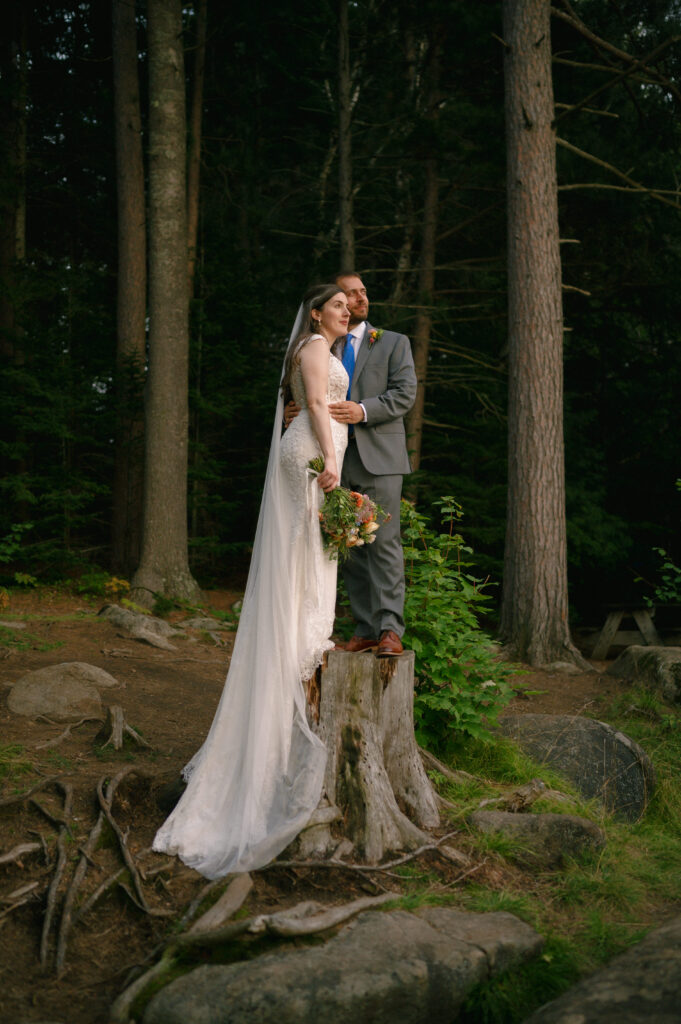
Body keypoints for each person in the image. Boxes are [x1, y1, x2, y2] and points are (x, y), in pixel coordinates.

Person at [152, 284, 350, 879]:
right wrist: (332, 460)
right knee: (302, 557)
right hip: (311, 454)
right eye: (337, 304)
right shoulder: (316, 347)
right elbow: (316, 402)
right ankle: (298, 659)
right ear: (316, 313)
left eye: (347, 305)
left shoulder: (321, 346)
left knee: (311, 556)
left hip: (315, 450)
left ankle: (304, 653)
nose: (346, 310)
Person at [286, 271, 416, 657]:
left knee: (384, 542)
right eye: (348, 295)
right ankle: (364, 627)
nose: (359, 299)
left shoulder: (392, 342)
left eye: (362, 293)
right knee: (347, 542)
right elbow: (308, 392)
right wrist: (293, 407)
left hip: (379, 457)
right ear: (330, 304)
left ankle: (390, 628)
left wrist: (362, 410)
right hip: (333, 459)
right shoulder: (319, 345)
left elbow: (404, 394)